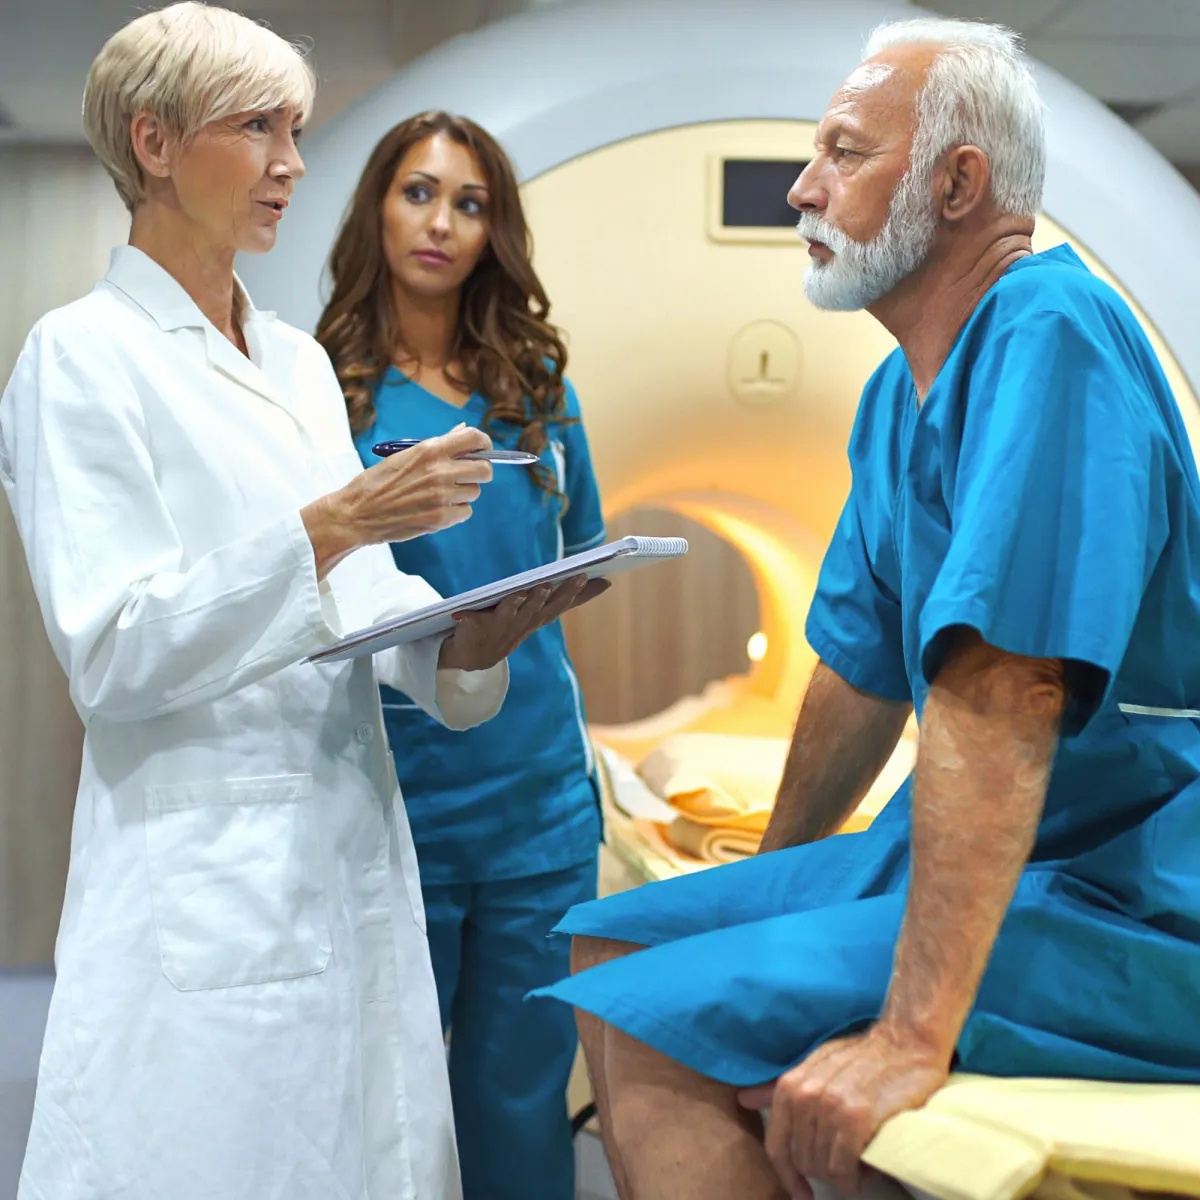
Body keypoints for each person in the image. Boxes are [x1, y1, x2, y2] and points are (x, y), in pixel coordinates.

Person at [531, 17, 1200, 1200]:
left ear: (957, 182)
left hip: (1133, 885)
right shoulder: (898, 393)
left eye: (844, 151)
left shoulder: (1055, 333)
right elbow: (857, 673)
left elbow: (1006, 689)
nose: (804, 186)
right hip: (1025, 861)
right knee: (617, 931)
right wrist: (767, 890)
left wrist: (909, 1034)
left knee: (649, 1020)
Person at [0, 8, 603, 1199]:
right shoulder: (80, 358)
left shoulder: (292, 364)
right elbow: (117, 655)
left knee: (378, 1154)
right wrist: (336, 524)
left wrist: (464, 645)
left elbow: (361, 602)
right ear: (156, 142)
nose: (292, 162)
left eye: (297, 129)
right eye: (259, 128)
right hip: (209, 878)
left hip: (348, 854)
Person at [316, 110, 607, 1200]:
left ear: (496, 231)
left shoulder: (535, 385)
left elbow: (582, 557)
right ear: (378, 208)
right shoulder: (321, 388)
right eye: (418, 192)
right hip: (397, 796)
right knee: (387, 1108)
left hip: (538, 800)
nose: (442, 222)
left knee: (524, 1096)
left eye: (470, 202)